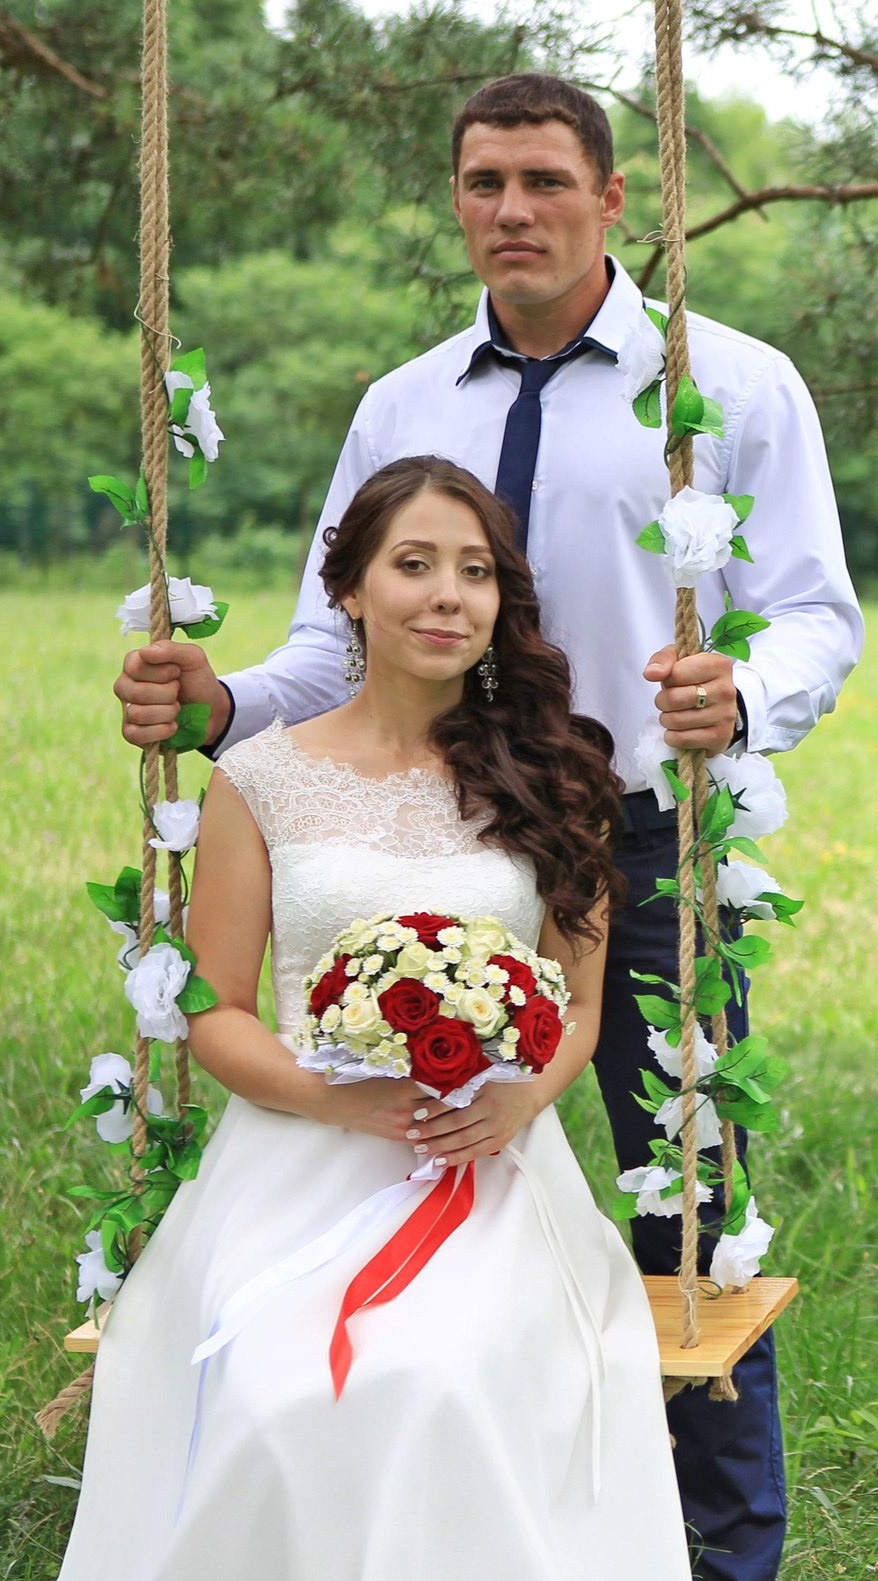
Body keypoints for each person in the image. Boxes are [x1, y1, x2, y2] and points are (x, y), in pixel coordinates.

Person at [109, 73, 862, 1580]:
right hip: (397, 832)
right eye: (482, 184)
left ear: (612, 197)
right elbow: (340, 643)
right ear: (456, 200)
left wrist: (741, 695)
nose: (511, 210)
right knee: (410, 1180)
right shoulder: (405, 400)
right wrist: (217, 706)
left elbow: (815, 618)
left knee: (685, 1211)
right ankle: (382, 1495)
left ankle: (721, 1552)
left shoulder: (726, 385)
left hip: (623, 840)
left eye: (542, 180)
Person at [64, 458, 691, 1577]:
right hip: (297, 1155)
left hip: (488, 1163)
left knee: (441, 1375)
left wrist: (516, 1100)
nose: (448, 596)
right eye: (412, 565)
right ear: (348, 589)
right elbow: (215, 1011)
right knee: (278, 1387)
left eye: (475, 572)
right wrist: (339, 1096)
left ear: (503, 603)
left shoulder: (555, 778)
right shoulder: (257, 781)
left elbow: (582, 1007)